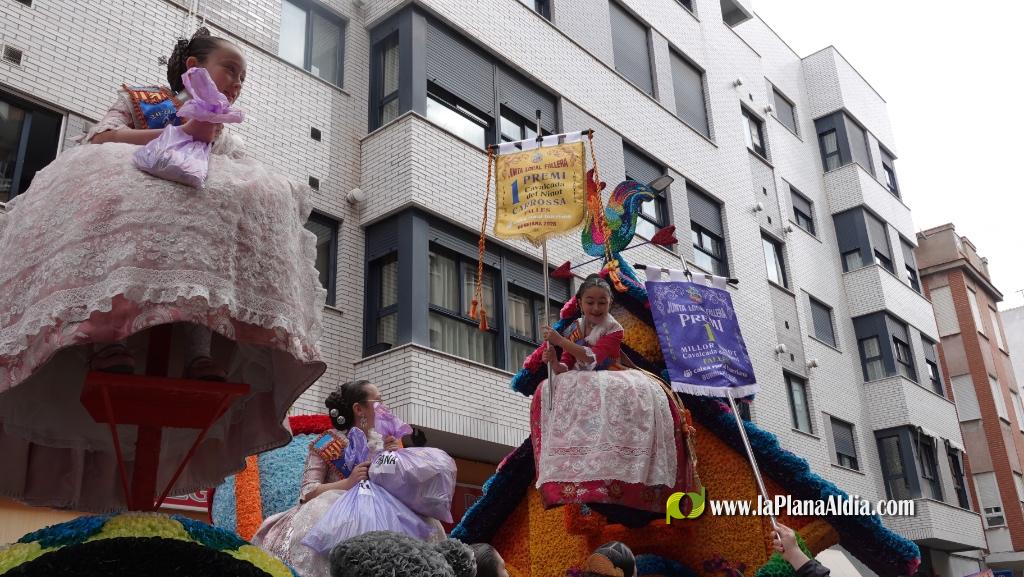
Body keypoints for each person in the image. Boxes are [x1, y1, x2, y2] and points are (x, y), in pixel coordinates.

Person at [0, 27, 327, 512]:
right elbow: (102, 138)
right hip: (134, 219)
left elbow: (236, 171)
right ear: (194, 67)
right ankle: (106, 343)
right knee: (114, 240)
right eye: (230, 71)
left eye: (243, 77)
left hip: (195, 242)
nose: (237, 83)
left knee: (218, 248)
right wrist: (175, 133)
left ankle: (200, 350)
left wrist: (207, 135)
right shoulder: (143, 99)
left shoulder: (226, 128)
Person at [530, 274, 689, 515]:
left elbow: (592, 358)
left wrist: (560, 340)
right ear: (581, 303)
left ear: (610, 302)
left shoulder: (614, 329)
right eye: (590, 302)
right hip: (578, 380)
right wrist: (553, 360)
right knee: (550, 387)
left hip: (610, 375)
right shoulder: (575, 329)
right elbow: (565, 368)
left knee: (613, 393)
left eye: (601, 302)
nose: (595, 308)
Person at [253, 380, 444, 577]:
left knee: (429, 524)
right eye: (377, 401)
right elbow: (308, 491)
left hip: (384, 510)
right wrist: (348, 483)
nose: (383, 407)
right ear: (358, 409)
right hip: (335, 513)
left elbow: (397, 487)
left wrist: (394, 457)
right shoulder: (327, 443)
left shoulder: (384, 442)